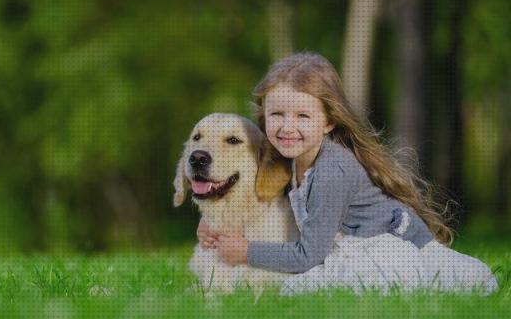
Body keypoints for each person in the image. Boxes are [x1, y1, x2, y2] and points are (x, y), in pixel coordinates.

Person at [197, 52, 498, 294]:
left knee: (294, 289)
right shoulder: (285, 158)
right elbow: (256, 206)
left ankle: (444, 274)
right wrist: (211, 225)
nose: (287, 127)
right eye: (277, 114)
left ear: (328, 122)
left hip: (382, 251)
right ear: (264, 116)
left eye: (303, 116)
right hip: (344, 249)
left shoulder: (332, 170)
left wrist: (246, 252)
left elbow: (308, 257)